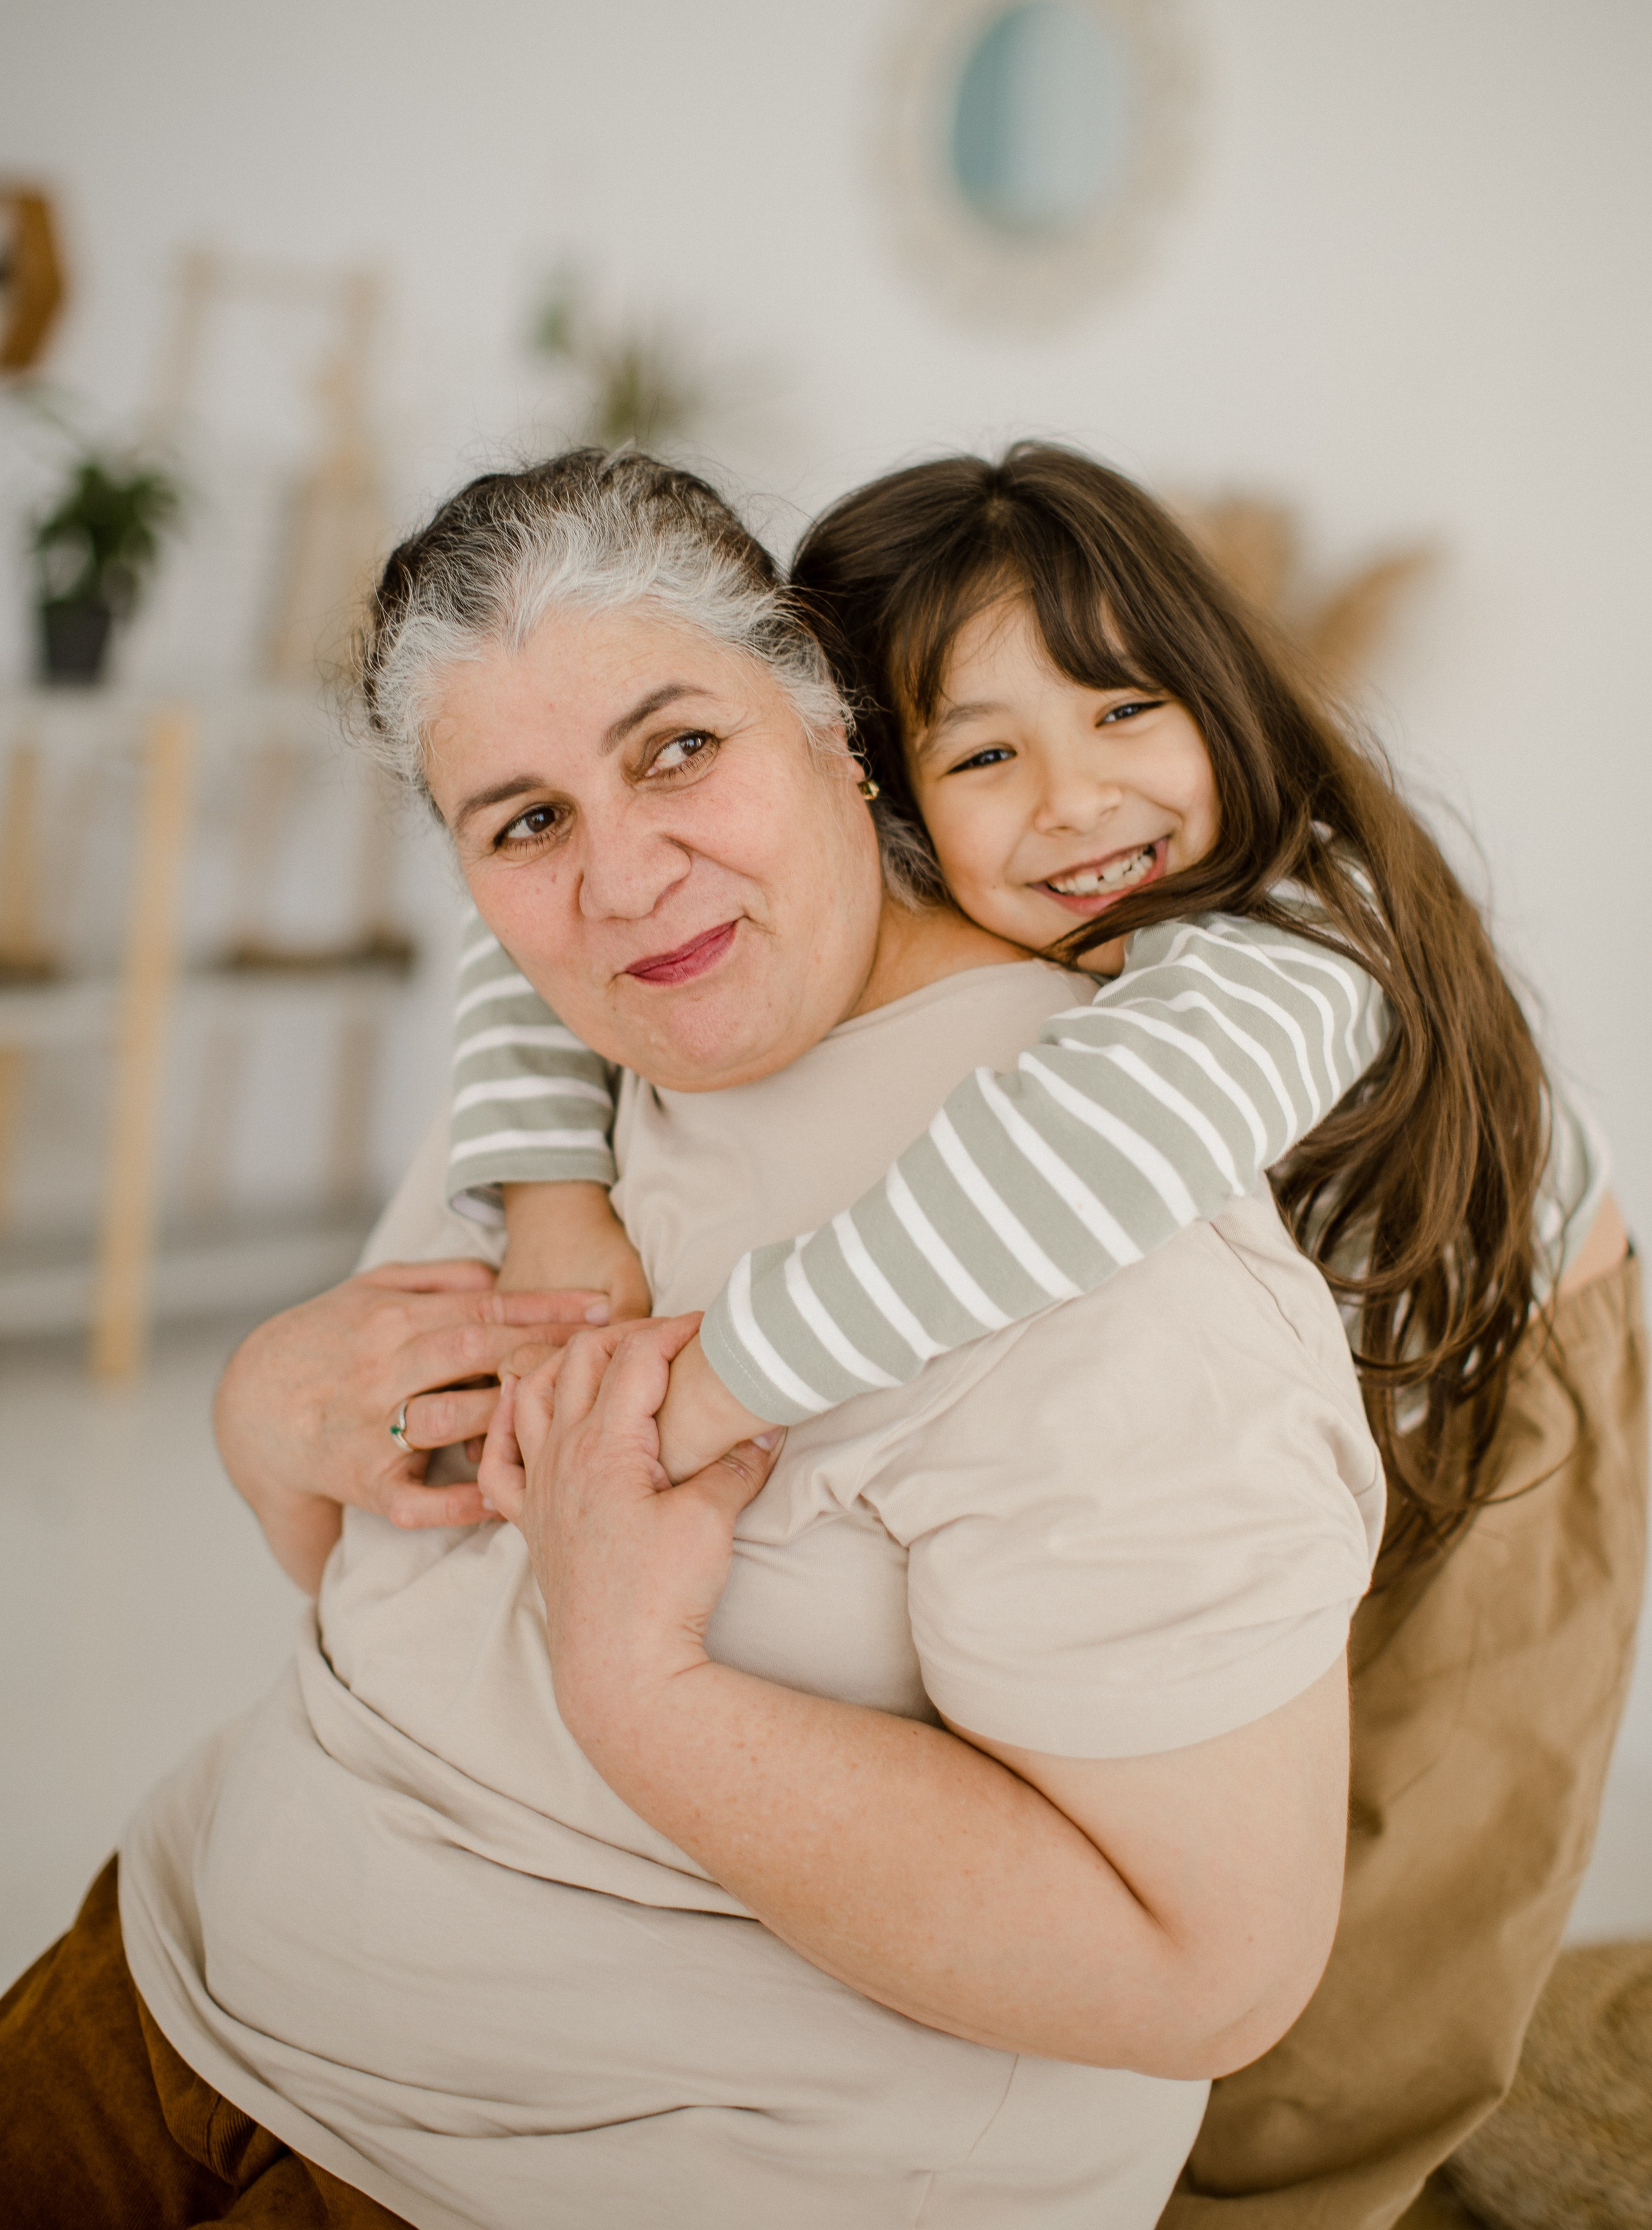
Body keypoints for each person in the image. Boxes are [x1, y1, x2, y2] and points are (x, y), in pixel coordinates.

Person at [0, 450, 1382, 2229]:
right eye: (525, 823)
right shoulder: (570, 1084)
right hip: (182, 1962)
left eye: (678, 750)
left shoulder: (1105, 1224)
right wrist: (264, 1411)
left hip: (611, 2164)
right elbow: (392, 1583)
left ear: (833, 727)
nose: (627, 879)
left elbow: (1209, 1976)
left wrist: (641, 1691)